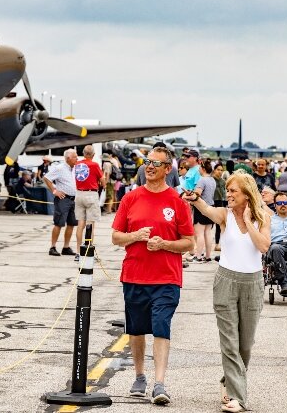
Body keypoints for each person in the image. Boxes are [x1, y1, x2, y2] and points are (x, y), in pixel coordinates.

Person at [111, 147, 195, 405]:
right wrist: (135, 236)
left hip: (166, 278)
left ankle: (160, 383)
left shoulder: (176, 202)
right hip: (135, 275)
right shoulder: (131, 198)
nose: (149, 167)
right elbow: (116, 237)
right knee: (136, 331)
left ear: (167, 169)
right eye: (147, 162)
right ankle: (139, 376)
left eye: (155, 163)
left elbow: (189, 242)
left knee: (161, 327)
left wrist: (165, 244)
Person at [183, 173, 271, 412]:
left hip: (252, 283)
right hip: (226, 281)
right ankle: (237, 397)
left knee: (246, 344)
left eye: (233, 191)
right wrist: (194, 199)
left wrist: (249, 221)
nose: (229, 195)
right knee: (229, 342)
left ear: (246, 194)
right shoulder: (224, 215)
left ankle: (228, 381)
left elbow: (263, 246)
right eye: (228, 190)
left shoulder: (263, 217)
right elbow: (207, 208)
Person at [42, 149, 78, 257]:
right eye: (75, 157)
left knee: (72, 223)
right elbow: (46, 178)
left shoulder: (75, 168)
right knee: (59, 223)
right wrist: (54, 191)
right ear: (68, 158)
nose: (77, 159)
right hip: (63, 199)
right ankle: (52, 247)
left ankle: (66, 247)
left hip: (74, 199)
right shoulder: (60, 168)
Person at [74, 145, 105, 261]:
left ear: (83, 153)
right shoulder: (94, 165)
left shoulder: (77, 164)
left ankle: (78, 252)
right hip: (91, 194)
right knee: (90, 224)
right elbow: (102, 180)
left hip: (79, 193)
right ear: (93, 155)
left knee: (80, 224)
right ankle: (88, 251)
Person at [192, 160, 217, 262]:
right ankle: (207, 256)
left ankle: (198, 256)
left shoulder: (202, 180)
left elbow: (197, 194)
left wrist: (190, 194)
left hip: (201, 208)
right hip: (211, 207)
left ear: (202, 169)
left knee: (200, 233)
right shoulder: (212, 180)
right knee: (208, 232)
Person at [213, 162, 227, 250]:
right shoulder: (211, 180)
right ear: (214, 170)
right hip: (212, 202)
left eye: (221, 170)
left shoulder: (223, 181)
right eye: (218, 170)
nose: (220, 172)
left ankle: (217, 243)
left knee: (219, 224)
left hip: (220, 202)